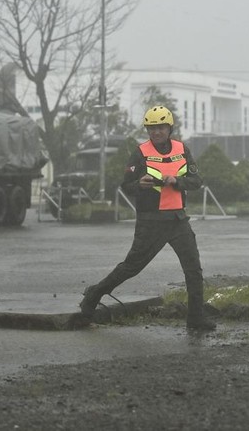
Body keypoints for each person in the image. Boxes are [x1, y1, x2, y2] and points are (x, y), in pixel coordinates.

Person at [78, 105, 216, 330]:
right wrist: (139, 185)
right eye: (151, 128)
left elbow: (196, 180)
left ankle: (196, 318)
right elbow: (126, 185)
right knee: (131, 267)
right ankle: (93, 295)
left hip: (178, 220)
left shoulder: (182, 149)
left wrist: (177, 182)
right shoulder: (140, 152)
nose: (156, 132)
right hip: (151, 221)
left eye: (160, 128)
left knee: (193, 269)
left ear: (169, 128)